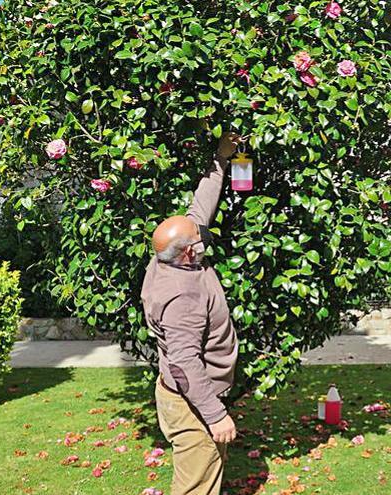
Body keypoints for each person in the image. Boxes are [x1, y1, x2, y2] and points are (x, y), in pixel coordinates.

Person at [141, 133, 241, 495]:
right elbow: (184, 361)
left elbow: (200, 211)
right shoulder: (181, 296)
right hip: (191, 403)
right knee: (195, 485)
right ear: (186, 253)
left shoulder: (167, 256)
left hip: (183, 395)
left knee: (207, 474)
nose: (204, 240)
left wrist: (222, 158)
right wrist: (214, 415)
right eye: (198, 241)